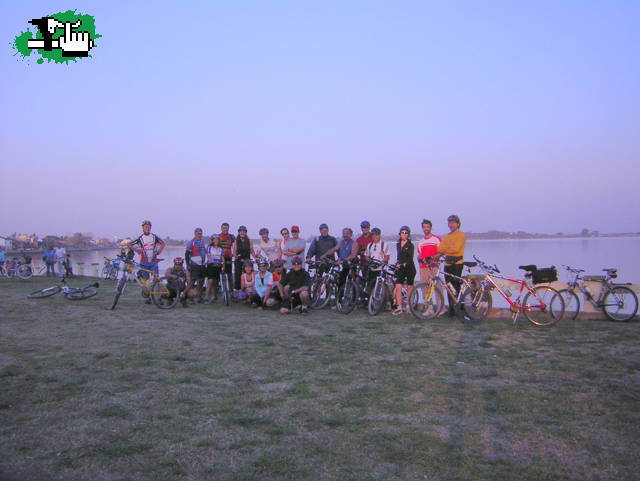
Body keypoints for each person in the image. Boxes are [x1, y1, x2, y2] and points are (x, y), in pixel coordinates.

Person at [438, 215, 466, 317]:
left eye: (453, 223)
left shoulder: (461, 235)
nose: (451, 225)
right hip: (447, 264)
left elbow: (456, 249)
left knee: (456, 286)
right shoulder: (447, 236)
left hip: (457, 264)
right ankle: (451, 309)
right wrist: (449, 247)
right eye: (449, 223)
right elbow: (439, 249)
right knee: (448, 287)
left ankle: (460, 308)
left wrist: (446, 248)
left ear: (458, 224)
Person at [393, 226, 416, 315]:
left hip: (409, 267)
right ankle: (399, 307)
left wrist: (402, 264)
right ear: (400, 234)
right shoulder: (398, 244)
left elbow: (410, 258)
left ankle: (408, 307)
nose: (404, 234)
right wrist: (397, 264)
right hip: (400, 268)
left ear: (408, 234)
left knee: (409, 288)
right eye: (402, 232)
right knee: (398, 287)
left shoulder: (411, 245)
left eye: (406, 233)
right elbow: (399, 256)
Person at [364, 227, 390, 293]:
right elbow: (366, 256)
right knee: (370, 287)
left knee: (381, 288)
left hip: (381, 269)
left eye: (376, 235)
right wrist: (369, 260)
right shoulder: (369, 245)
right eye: (373, 235)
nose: (375, 236)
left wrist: (382, 262)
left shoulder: (384, 244)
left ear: (379, 235)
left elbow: (387, 256)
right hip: (372, 269)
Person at [185, 227, 207, 302]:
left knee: (201, 281)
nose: (199, 235)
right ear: (195, 234)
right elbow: (186, 255)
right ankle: (185, 295)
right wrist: (188, 265)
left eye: (200, 234)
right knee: (193, 281)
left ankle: (199, 297)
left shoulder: (202, 242)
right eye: (198, 234)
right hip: (194, 265)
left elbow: (205, 252)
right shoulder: (191, 242)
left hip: (202, 264)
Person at [417, 219, 441, 284]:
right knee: (424, 287)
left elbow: (441, 252)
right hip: (423, 267)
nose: (426, 229)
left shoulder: (436, 239)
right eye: (424, 227)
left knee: (436, 287)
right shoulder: (421, 241)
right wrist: (419, 259)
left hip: (434, 266)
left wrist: (433, 257)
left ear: (430, 228)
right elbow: (419, 255)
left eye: (427, 227)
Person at [232, 226, 253, 290]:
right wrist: (236, 256)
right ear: (239, 232)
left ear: (246, 232)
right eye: (241, 231)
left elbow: (252, 250)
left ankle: (249, 287)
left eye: (244, 231)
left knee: (249, 273)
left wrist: (256, 257)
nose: (242, 233)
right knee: (238, 274)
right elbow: (234, 251)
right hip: (238, 259)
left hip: (247, 259)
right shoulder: (236, 241)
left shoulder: (249, 240)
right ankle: (237, 288)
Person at [205, 235, 224, 302]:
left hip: (218, 266)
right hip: (211, 266)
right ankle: (207, 296)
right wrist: (212, 261)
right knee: (210, 281)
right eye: (214, 239)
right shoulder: (209, 247)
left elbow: (222, 258)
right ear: (212, 240)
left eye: (217, 239)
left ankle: (214, 296)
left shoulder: (221, 249)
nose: (216, 241)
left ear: (219, 240)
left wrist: (223, 266)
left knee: (215, 282)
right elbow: (208, 256)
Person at [218, 222, 235, 287]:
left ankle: (230, 288)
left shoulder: (232, 236)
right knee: (220, 272)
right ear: (221, 228)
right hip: (219, 258)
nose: (225, 229)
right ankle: (220, 287)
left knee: (229, 273)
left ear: (228, 229)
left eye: (226, 228)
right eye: (224, 228)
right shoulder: (218, 236)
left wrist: (234, 253)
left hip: (228, 257)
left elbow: (235, 245)